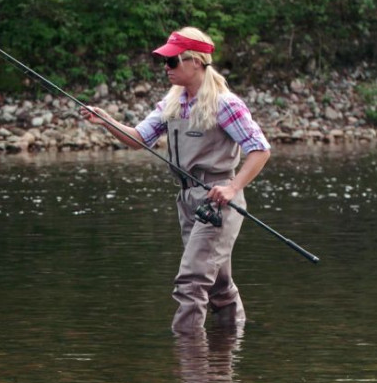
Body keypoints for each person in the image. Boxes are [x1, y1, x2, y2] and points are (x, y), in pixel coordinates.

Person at [79, 26, 271, 334]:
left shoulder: (225, 104)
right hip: (187, 201)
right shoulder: (173, 102)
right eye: (165, 61)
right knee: (218, 285)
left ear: (196, 61)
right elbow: (139, 139)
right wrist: (105, 120)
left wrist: (233, 188)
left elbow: (260, 149)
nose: (166, 67)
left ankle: (187, 354)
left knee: (191, 281)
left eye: (172, 61)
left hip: (218, 202)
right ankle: (229, 346)